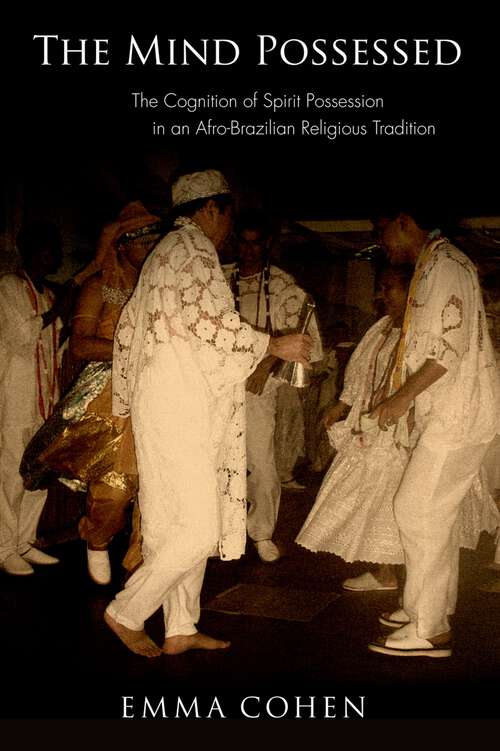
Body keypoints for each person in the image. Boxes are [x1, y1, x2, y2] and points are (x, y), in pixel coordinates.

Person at [104, 169, 312, 657]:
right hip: (181, 405)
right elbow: (209, 322)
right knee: (199, 526)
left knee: (168, 525)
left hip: (165, 402)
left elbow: (130, 333)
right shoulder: (193, 249)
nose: (228, 229)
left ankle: (180, 625)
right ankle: (126, 611)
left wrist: (130, 403)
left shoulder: (165, 253)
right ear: (213, 209)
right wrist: (273, 343)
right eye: (228, 215)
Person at [297, 266, 499, 592]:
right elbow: (362, 368)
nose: (381, 295)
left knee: (400, 501)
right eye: (381, 287)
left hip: (406, 428)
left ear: (412, 292)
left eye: (389, 288)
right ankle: (386, 573)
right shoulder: (382, 328)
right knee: (374, 499)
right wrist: (342, 405)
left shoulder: (422, 329)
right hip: (375, 424)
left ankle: (407, 582)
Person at [364, 207, 500, 658]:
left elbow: (449, 347)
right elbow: (421, 344)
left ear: (403, 220)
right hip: (448, 412)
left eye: (382, 229)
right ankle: (427, 608)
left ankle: (429, 627)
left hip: (461, 414)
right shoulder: (431, 265)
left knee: (417, 509)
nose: (381, 241)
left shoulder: (444, 265)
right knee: (430, 513)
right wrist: (398, 393)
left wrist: (401, 399)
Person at [20, 202, 161, 585]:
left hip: (157, 394)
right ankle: (97, 540)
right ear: (121, 246)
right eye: (141, 242)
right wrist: (136, 349)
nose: (149, 250)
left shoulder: (159, 290)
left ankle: (142, 567)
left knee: (155, 487)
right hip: (108, 399)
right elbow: (81, 346)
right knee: (114, 488)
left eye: (154, 242)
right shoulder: (100, 287)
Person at [224, 210, 323, 563]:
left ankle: (261, 531)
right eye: (243, 242)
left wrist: (264, 365)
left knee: (262, 464)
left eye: (256, 243)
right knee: (219, 460)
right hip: (218, 385)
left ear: (266, 244)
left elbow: (299, 337)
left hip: (257, 387)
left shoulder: (283, 286)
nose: (249, 251)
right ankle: (221, 529)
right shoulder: (219, 279)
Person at [0, 220, 65, 575]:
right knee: (11, 474)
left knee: (38, 475)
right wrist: (57, 312)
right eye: (47, 249)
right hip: (15, 400)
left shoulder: (47, 295)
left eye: (54, 250)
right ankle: (3, 547)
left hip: (44, 401)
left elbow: (52, 347)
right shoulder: (8, 288)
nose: (53, 256)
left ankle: (25, 540)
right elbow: (22, 336)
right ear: (29, 253)